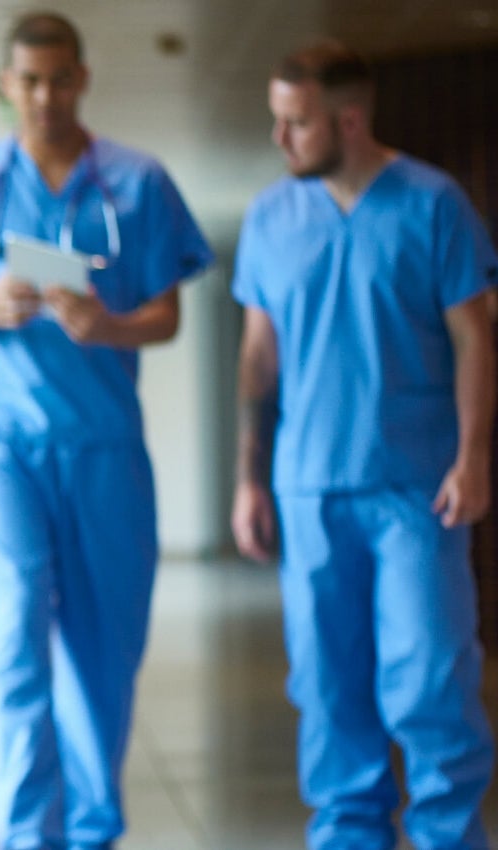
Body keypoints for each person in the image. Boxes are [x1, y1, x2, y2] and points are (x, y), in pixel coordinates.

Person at [0, 12, 212, 849]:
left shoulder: (137, 183)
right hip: (2, 438)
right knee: (13, 627)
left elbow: (167, 315)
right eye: (27, 81)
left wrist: (105, 325)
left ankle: (91, 827)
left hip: (104, 443)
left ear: (82, 79)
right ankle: (27, 836)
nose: (43, 97)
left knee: (103, 649)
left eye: (58, 79)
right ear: (6, 86)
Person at [230, 39, 497, 850]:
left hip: (415, 486)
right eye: (276, 122)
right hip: (309, 486)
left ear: (348, 120)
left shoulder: (432, 203)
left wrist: (476, 453)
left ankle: (449, 837)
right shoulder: (270, 219)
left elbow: (476, 337)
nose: (280, 140)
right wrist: (249, 478)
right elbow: (257, 358)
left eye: (296, 123)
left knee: (429, 680)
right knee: (327, 686)